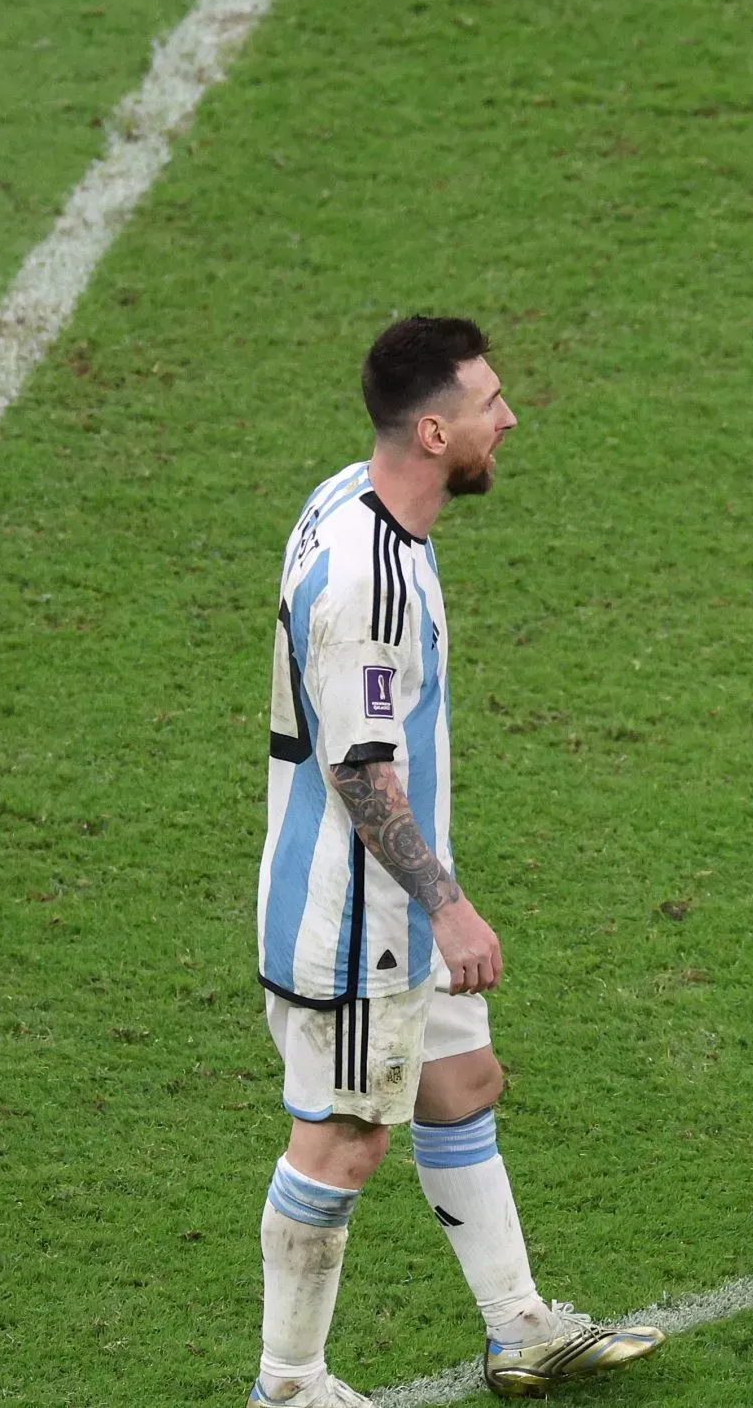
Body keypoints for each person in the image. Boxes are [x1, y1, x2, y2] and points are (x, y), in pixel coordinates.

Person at [249, 316, 664, 1406]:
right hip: (355, 919)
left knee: (460, 1082)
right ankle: (286, 1385)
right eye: (490, 403)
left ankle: (519, 1325)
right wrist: (450, 907)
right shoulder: (367, 582)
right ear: (433, 432)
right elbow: (360, 769)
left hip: (387, 905)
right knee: (340, 1142)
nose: (508, 417)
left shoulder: (350, 493)